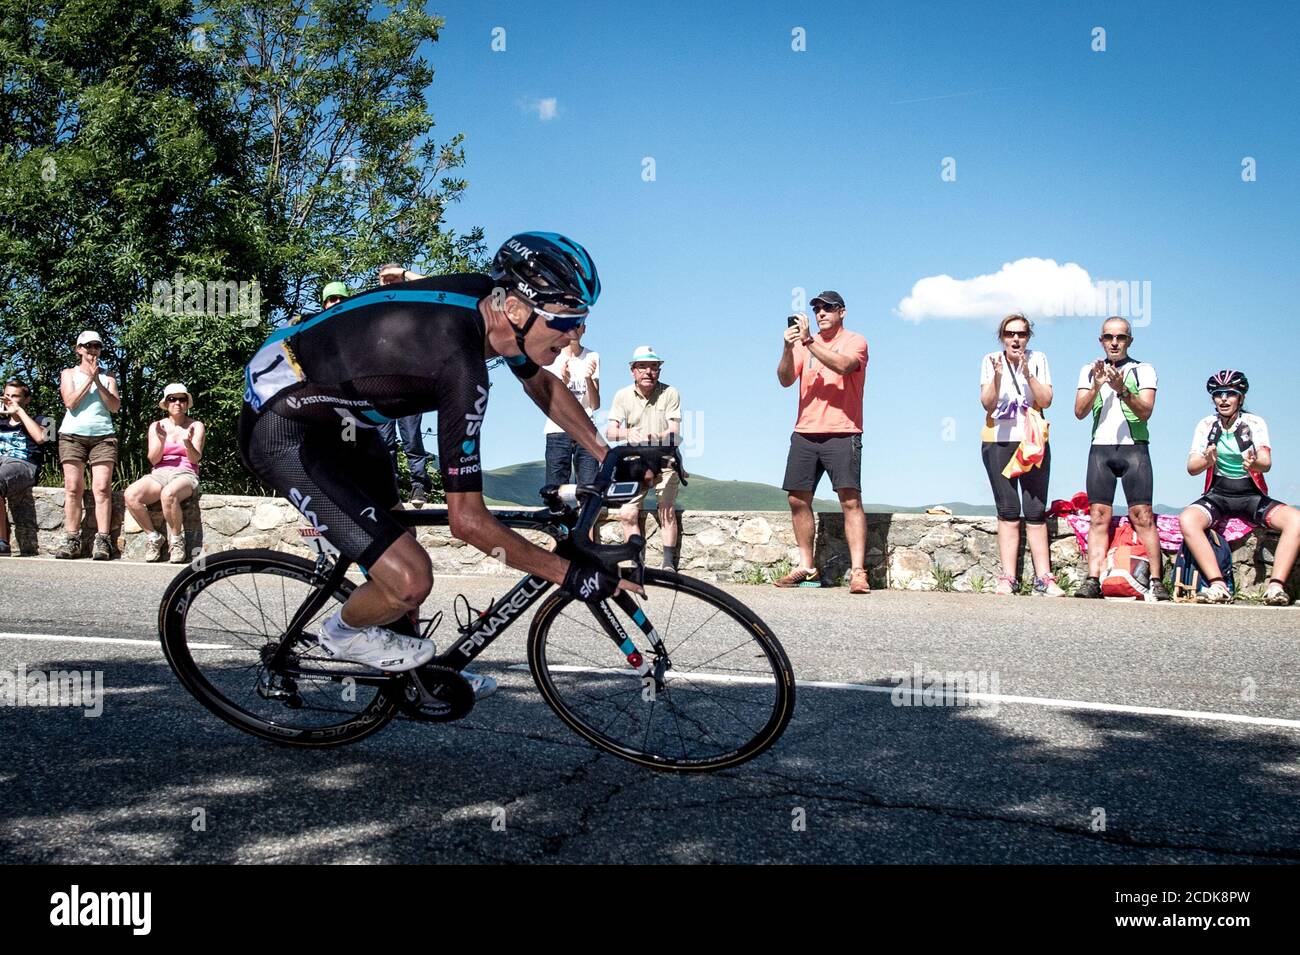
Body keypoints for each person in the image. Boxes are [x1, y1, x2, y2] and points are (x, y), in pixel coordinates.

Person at [239, 231, 639, 702]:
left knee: (396, 545)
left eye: (581, 320)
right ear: (515, 309)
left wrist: (604, 451)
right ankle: (342, 633)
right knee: (409, 578)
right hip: (285, 428)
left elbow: (541, 385)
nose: (576, 334)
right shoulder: (459, 365)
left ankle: (416, 671)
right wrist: (569, 575)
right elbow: (467, 522)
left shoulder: (491, 306)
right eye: (566, 320)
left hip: (346, 419)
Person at [774, 291, 870, 593]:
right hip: (805, 431)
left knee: (850, 499)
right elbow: (785, 379)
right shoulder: (803, 344)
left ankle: (858, 571)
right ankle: (807, 567)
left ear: (842, 312)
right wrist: (788, 348)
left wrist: (808, 342)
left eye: (828, 308)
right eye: (817, 309)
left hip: (843, 430)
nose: (821, 313)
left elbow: (843, 366)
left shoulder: (856, 341)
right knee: (797, 499)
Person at [1179, 371, 1297, 605]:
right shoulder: (1206, 424)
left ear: (1240, 398)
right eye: (1217, 394)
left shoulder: (1254, 423)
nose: (1223, 399)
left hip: (1251, 495)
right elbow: (1192, 468)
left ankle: (1275, 588)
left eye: (1230, 394)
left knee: (1296, 520)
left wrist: (1254, 462)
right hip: (1218, 494)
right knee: (1188, 519)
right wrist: (1207, 460)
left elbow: (1266, 464)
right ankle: (1218, 585)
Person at [1072, 316, 1169, 600]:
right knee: (1098, 516)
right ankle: (1093, 578)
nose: (1114, 342)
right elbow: (1078, 412)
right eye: (1108, 337)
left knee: (1143, 516)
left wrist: (1122, 390)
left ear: (1129, 341)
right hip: (1101, 448)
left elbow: (1145, 411)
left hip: (1134, 447)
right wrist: (1097, 385)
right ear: (1101, 340)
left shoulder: (1143, 370)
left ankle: (1155, 580)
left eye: (1121, 337)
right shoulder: (1089, 370)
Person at [979, 314, 1061, 595]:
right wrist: (1000, 376)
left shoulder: (1039, 359)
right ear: (1002, 336)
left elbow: (1046, 400)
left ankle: (1045, 578)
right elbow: (987, 405)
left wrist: (1027, 373)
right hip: (999, 440)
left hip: (1032, 441)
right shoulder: (990, 360)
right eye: (1010, 334)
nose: (1016, 339)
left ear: (1028, 337)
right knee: (1009, 510)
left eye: (1022, 334)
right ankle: (1008, 577)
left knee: (1036, 509)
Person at [607, 347, 681, 570]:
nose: (649, 371)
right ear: (633, 371)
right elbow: (611, 432)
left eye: (654, 367)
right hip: (634, 462)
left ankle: (668, 564)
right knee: (627, 513)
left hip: (664, 458)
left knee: (666, 508)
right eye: (642, 367)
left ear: (659, 370)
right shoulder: (622, 395)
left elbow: (674, 430)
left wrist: (655, 438)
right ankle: (635, 563)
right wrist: (629, 434)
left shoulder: (670, 393)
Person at [56, 330, 121, 560]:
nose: (93, 350)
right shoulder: (68, 374)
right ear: (79, 349)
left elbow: (114, 407)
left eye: (97, 346)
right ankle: (72, 538)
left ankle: (103, 541)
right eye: (88, 346)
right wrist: (88, 380)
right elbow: (70, 403)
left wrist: (97, 380)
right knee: (73, 487)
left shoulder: (109, 376)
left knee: (102, 488)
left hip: (103, 436)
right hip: (72, 435)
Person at [124, 384, 205, 563]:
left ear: (187, 403)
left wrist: (188, 444)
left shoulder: (196, 425)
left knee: (168, 494)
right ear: (166, 403)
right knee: (131, 495)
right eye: (172, 399)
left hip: (185, 472)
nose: (177, 403)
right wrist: (160, 441)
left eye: (182, 399)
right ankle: (154, 537)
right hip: (159, 472)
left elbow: (195, 459)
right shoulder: (157, 426)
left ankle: (176, 541)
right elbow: (153, 460)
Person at [373, 264, 434, 504]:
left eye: (392, 278)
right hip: (381, 385)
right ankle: (390, 488)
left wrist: (404, 274)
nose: (388, 282)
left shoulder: (415, 303)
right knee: (384, 441)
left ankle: (418, 486)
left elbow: (435, 285)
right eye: (383, 279)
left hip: (409, 383)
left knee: (411, 438)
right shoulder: (374, 306)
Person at [0, 380, 52, 555]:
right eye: (7, 395)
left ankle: (2, 541)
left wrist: (19, 412)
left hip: (23, 464)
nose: (10, 399)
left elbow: (42, 438)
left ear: (27, 399)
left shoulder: (44, 419)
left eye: (15, 396)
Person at [545, 325, 601, 487]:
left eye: (579, 326)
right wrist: (563, 381)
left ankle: (586, 513)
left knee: (589, 487)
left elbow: (595, 404)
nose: (574, 331)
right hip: (558, 429)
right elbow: (547, 401)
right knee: (554, 488)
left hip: (586, 429)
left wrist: (589, 379)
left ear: (584, 329)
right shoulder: (550, 357)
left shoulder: (592, 356)